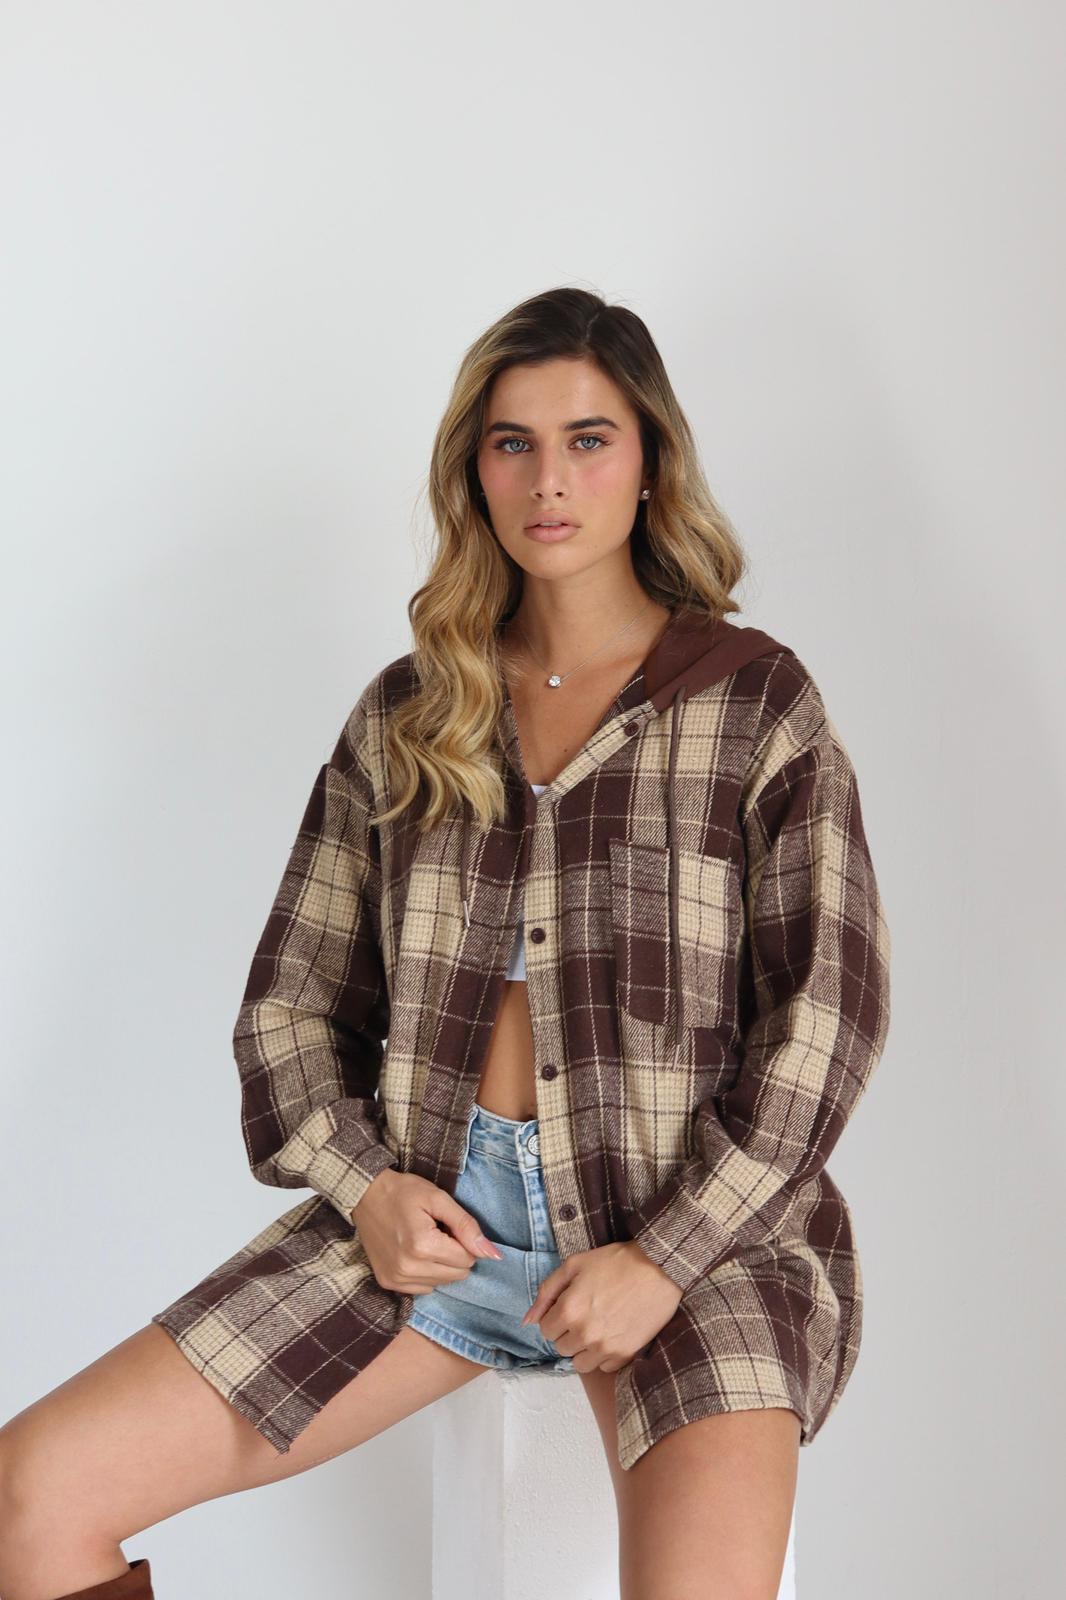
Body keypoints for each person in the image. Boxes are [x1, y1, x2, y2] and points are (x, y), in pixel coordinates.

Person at [0, 286, 891, 1600]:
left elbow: (827, 1015)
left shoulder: (754, 702)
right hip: (435, 1226)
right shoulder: (411, 716)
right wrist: (365, 1187)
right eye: (511, 443)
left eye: (588, 439)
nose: (549, 479)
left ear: (650, 462)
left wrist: (665, 1257)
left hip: (690, 1236)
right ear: (473, 471)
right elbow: (290, 1009)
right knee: (31, 1496)